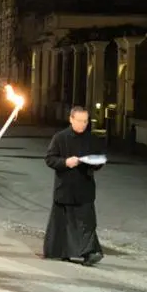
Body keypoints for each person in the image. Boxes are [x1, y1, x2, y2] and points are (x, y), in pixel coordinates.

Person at [43, 106, 105, 266]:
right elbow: (50, 159)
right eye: (79, 121)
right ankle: (62, 252)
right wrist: (65, 162)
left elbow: (99, 159)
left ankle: (89, 253)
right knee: (64, 224)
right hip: (65, 187)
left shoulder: (91, 139)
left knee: (87, 223)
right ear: (71, 119)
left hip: (85, 187)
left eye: (85, 121)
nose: (83, 124)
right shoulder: (60, 138)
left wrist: (96, 163)